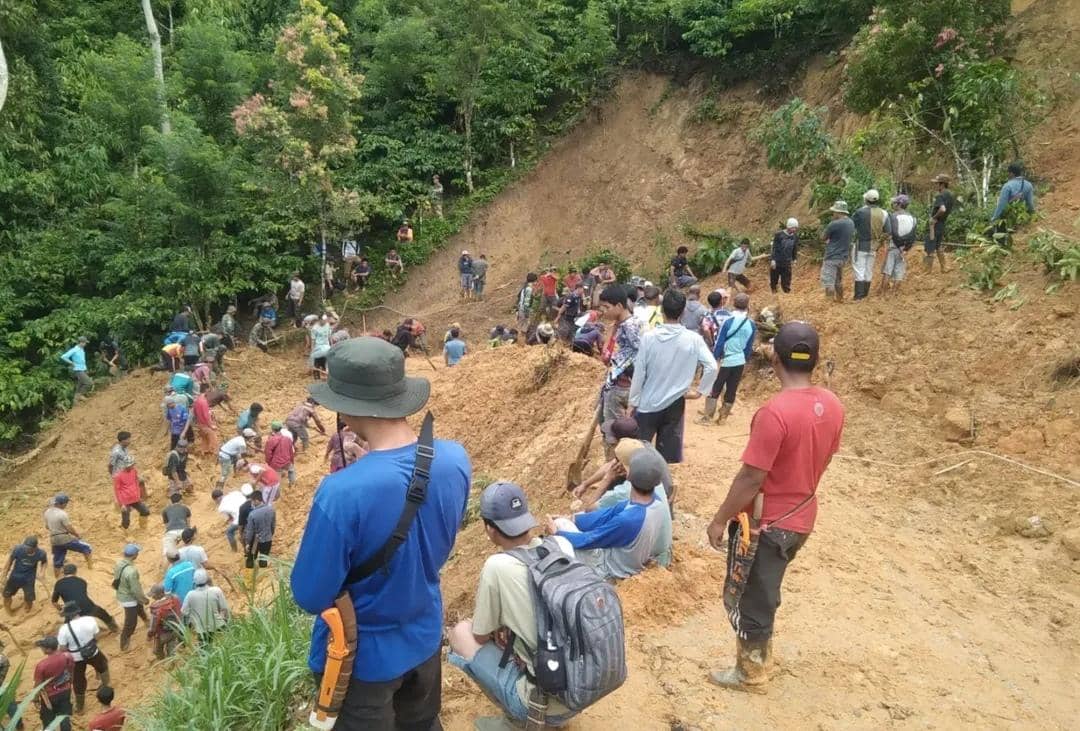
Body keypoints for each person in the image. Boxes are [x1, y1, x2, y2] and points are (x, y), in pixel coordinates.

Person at [292, 337, 471, 729]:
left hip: (364, 660)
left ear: (345, 409)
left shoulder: (341, 492)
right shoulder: (455, 458)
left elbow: (309, 594)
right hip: (425, 636)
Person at [706, 321, 844, 692]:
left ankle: (751, 672)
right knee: (767, 586)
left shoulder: (774, 413)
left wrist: (719, 520)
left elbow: (751, 477)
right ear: (814, 360)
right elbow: (826, 457)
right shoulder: (831, 405)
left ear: (776, 359)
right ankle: (761, 652)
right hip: (802, 516)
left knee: (754, 594)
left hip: (768, 522)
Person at [447, 482, 579, 729]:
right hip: (582, 685)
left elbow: (480, 635)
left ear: (489, 529)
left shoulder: (497, 566)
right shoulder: (559, 546)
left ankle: (517, 718)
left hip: (544, 703)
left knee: (460, 633)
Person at [549, 449, 672, 580]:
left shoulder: (628, 520)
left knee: (559, 529)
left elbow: (589, 540)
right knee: (565, 522)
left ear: (628, 477)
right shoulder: (655, 503)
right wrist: (573, 519)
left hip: (610, 569)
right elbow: (602, 516)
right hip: (632, 559)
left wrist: (556, 533)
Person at [630, 289, 717, 464]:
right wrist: (700, 392)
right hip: (675, 404)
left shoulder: (649, 338)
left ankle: (639, 486)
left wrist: (633, 402)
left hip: (648, 402)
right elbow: (712, 366)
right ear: (683, 311)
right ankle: (662, 487)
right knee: (666, 456)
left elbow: (639, 373)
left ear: (661, 311)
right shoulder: (693, 339)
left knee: (638, 452)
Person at [598, 285, 642, 453]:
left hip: (621, 385)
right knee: (612, 426)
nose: (604, 311)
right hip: (616, 383)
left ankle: (615, 463)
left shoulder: (630, 327)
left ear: (619, 306)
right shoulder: (621, 324)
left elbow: (640, 354)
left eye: (606, 307)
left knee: (615, 432)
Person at [703, 292, 756, 424]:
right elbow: (749, 346)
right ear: (747, 306)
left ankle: (708, 417)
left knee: (716, 387)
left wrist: (715, 358)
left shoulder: (728, 321)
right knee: (732, 388)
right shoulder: (751, 324)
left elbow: (720, 342)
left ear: (733, 304)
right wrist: (744, 358)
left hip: (726, 359)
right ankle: (723, 418)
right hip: (740, 360)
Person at [57, 600, 110, 713]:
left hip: (76, 657)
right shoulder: (90, 620)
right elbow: (97, 635)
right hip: (92, 651)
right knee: (103, 666)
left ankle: (80, 707)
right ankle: (106, 687)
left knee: (78, 681)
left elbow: (62, 648)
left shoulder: (64, 629)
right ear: (78, 612)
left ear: (67, 616)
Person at [52, 563, 118, 632]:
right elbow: (81, 595)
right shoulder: (82, 581)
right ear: (75, 572)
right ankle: (113, 627)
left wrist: (60, 609)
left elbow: (54, 602)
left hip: (72, 610)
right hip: (88, 607)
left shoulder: (58, 584)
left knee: (68, 627)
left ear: (63, 572)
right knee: (104, 614)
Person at [851, 190, 888, 300]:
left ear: (866, 200)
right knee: (868, 270)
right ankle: (865, 296)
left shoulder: (859, 212)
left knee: (859, 269)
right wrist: (879, 243)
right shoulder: (884, 213)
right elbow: (887, 232)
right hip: (874, 247)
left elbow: (852, 226)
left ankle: (858, 297)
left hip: (861, 245)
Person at [44, 494, 92, 577]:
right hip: (64, 538)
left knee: (58, 560)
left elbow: (47, 527)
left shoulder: (47, 512)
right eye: (66, 503)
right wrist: (77, 535)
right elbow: (69, 528)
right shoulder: (62, 514)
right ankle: (91, 568)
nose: (66, 505)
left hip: (54, 539)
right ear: (62, 504)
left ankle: (57, 578)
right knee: (87, 547)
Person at [33, 636, 75, 731]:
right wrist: (70, 684)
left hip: (49, 696)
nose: (41, 648)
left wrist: (35, 699)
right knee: (64, 717)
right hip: (65, 690)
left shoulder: (41, 666)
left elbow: (38, 685)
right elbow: (71, 671)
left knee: (48, 721)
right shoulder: (67, 656)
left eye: (43, 647)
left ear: (48, 649)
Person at [112, 544, 149, 651]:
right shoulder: (131, 571)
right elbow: (135, 590)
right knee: (131, 623)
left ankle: (146, 620)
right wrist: (144, 599)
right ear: (134, 555)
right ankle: (124, 640)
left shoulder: (119, 563)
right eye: (137, 553)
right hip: (129, 598)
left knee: (139, 607)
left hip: (121, 592)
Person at [882, 194, 918, 297]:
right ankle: (894, 294)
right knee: (899, 273)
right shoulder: (913, 218)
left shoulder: (893, 216)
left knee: (887, 271)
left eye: (894, 203)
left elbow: (891, 233)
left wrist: (896, 245)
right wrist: (906, 249)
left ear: (898, 204)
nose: (893, 205)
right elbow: (913, 236)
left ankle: (884, 295)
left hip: (893, 246)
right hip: (904, 249)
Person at [182, 569, 230, 641]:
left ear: (194, 582)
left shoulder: (190, 594)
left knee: (203, 647)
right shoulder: (216, 590)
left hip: (201, 629)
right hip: (218, 626)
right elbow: (225, 609)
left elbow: (184, 612)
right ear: (207, 579)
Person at [3, 536, 47, 613]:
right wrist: (4, 574)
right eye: (25, 547)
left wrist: (42, 572)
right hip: (15, 577)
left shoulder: (41, 553)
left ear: (35, 548)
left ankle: (26, 611)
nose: (27, 549)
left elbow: (44, 562)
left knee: (29, 599)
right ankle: (8, 611)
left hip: (29, 579)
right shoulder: (18, 549)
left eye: (29, 548)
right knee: (6, 595)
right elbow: (9, 561)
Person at [821, 201, 854, 302]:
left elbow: (823, 237)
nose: (833, 213)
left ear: (838, 212)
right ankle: (840, 300)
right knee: (838, 281)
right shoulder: (851, 223)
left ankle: (829, 304)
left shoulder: (834, 224)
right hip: (843, 257)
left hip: (832, 256)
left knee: (829, 282)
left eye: (834, 211)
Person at [926, 173, 956, 273]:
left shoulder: (940, 195)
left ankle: (927, 270)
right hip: (942, 223)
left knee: (930, 245)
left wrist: (933, 218)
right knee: (938, 245)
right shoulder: (950, 195)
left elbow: (942, 209)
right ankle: (943, 267)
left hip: (934, 224)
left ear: (942, 184)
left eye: (937, 183)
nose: (935, 186)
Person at [112, 455, 150, 530]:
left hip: (135, 499)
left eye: (132, 464)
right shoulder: (118, 476)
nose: (132, 466)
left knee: (145, 511)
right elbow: (117, 490)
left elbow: (136, 482)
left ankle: (142, 528)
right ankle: (123, 531)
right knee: (126, 520)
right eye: (131, 465)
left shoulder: (134, 471)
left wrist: (139, 495)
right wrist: (121, 504)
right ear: (126, 465)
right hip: (125, 501)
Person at [244, 490, 276, 578]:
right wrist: (270, 534)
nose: (252, 503)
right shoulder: (271, 509)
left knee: (250, 559)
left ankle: (249, 579)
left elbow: (250, 531)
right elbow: (273, 525)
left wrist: (247, 543)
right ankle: (263, 577)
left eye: (252, 501)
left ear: (257, 500)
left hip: (256, 541)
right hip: (268, 539)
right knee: (264, 558)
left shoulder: (252, 514)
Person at [146, 584, 182, 659]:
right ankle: (172, 665)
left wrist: (150, 635)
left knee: (158, 650)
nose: (152, 597)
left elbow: (153, 625)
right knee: (172, 650)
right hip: (175, 629)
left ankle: (161, 660)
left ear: (160, 594)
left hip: (161, 633)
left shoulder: (155, 608)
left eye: (154, 595)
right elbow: (179, 611)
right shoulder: (174, 598)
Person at [212, 485, 250, 553]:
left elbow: (229, 518)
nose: (216, 502)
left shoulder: (221, 508)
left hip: (241, 519)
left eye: (215, 501)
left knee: (229, 532)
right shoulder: (235, 492)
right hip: (250, 510)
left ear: (217, 499)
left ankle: (234, 550)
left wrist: (228, 522)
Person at [770, 221, 799, 295]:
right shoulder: (779, 235)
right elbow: (774, 247)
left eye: (795, 228)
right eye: (793, 228)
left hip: (787, 262)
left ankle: (786, 293)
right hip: (777, 261)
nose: (794, 229)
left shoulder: (795, 236)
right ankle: (774, 292)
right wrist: (773, 259)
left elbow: (794, 248)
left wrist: (794, 259)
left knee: (786, 279)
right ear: (788, 227)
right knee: (774, 278)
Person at [265, 421, 297, 487]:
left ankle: (278, 492)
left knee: (277, 479)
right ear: (281, 428)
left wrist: (269, 463)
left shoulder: (271, 440)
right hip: (287, 461)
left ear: (272, 429)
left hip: (276, 463)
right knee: (291, 470)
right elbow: (291, 451)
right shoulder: (287, 439)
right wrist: (292, 461)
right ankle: (293, 485)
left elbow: (268, 453)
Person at [60, 336, 93, 401]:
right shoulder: (74, 350)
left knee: (80, 384)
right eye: (85, 343)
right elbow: (63, 357)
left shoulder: (81, 349)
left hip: (83, 368)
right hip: (78, 369)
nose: (85, 344)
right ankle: (81, 395)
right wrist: (71, 363)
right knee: (88, 382)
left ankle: (76, 398)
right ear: (81, 343)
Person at [161, 493, 192, 558]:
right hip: (183, 530)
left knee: (167, 553)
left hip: (171, 532)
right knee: (187, 549)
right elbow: (188, 524)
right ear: (180, 500)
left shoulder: (165, 510)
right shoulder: (185, 508)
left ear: (171, 501)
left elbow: (166, 525)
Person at [192, 386, 219, 456]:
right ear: (206, 391)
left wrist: (197, 421)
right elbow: (206, 416)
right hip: (205, 425)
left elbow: (194, 412)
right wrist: (211, 426)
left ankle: (204, 451)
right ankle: (214, 454)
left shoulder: (197, 400)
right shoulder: (204, 402)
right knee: (213, 438)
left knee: (204, 438)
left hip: (200, 423)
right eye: (209, 391)